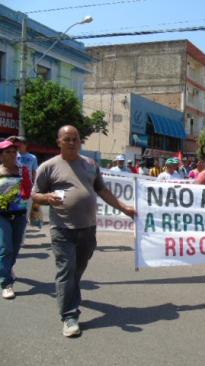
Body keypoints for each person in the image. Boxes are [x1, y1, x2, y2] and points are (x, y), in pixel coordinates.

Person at [31, 125, 135, 337]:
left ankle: (70, 291)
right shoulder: (48, 167)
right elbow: (35, 195)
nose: (72, 142)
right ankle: (69, 316)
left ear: (80, 141)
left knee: (77, 270)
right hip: (62, 229)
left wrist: (124, 208)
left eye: (75, 139)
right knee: (67, 270)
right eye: (67, 139)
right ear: (59, 141)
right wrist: (46, 198)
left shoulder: (90, 164)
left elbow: (102, 190)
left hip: (88, 228)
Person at [0, 140, 32, 300]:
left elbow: (28, 190)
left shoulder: (23, 170)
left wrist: (19, 195)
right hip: (1, 215)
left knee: (15, 247)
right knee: (6, 248)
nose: (12, 154)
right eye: (7, 152)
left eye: (14, 151)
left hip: (19, 214)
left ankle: (7, 268)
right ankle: (6, 283)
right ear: (1, 155)